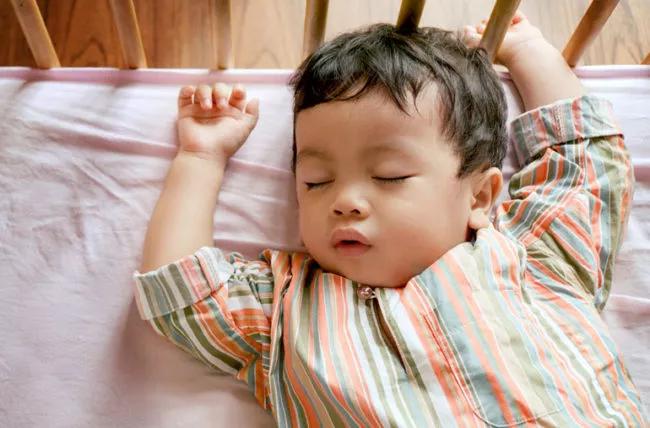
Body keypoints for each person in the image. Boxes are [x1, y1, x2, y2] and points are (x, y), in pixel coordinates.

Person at [133, 12, 644, 426]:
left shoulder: (532, 256)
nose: (346, 201)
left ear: (481, 196)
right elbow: (182, 294)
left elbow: (584, 163)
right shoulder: (286, 312)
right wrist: (201, 158)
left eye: (391, 175)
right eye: (315, 181)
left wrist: (529, 52)